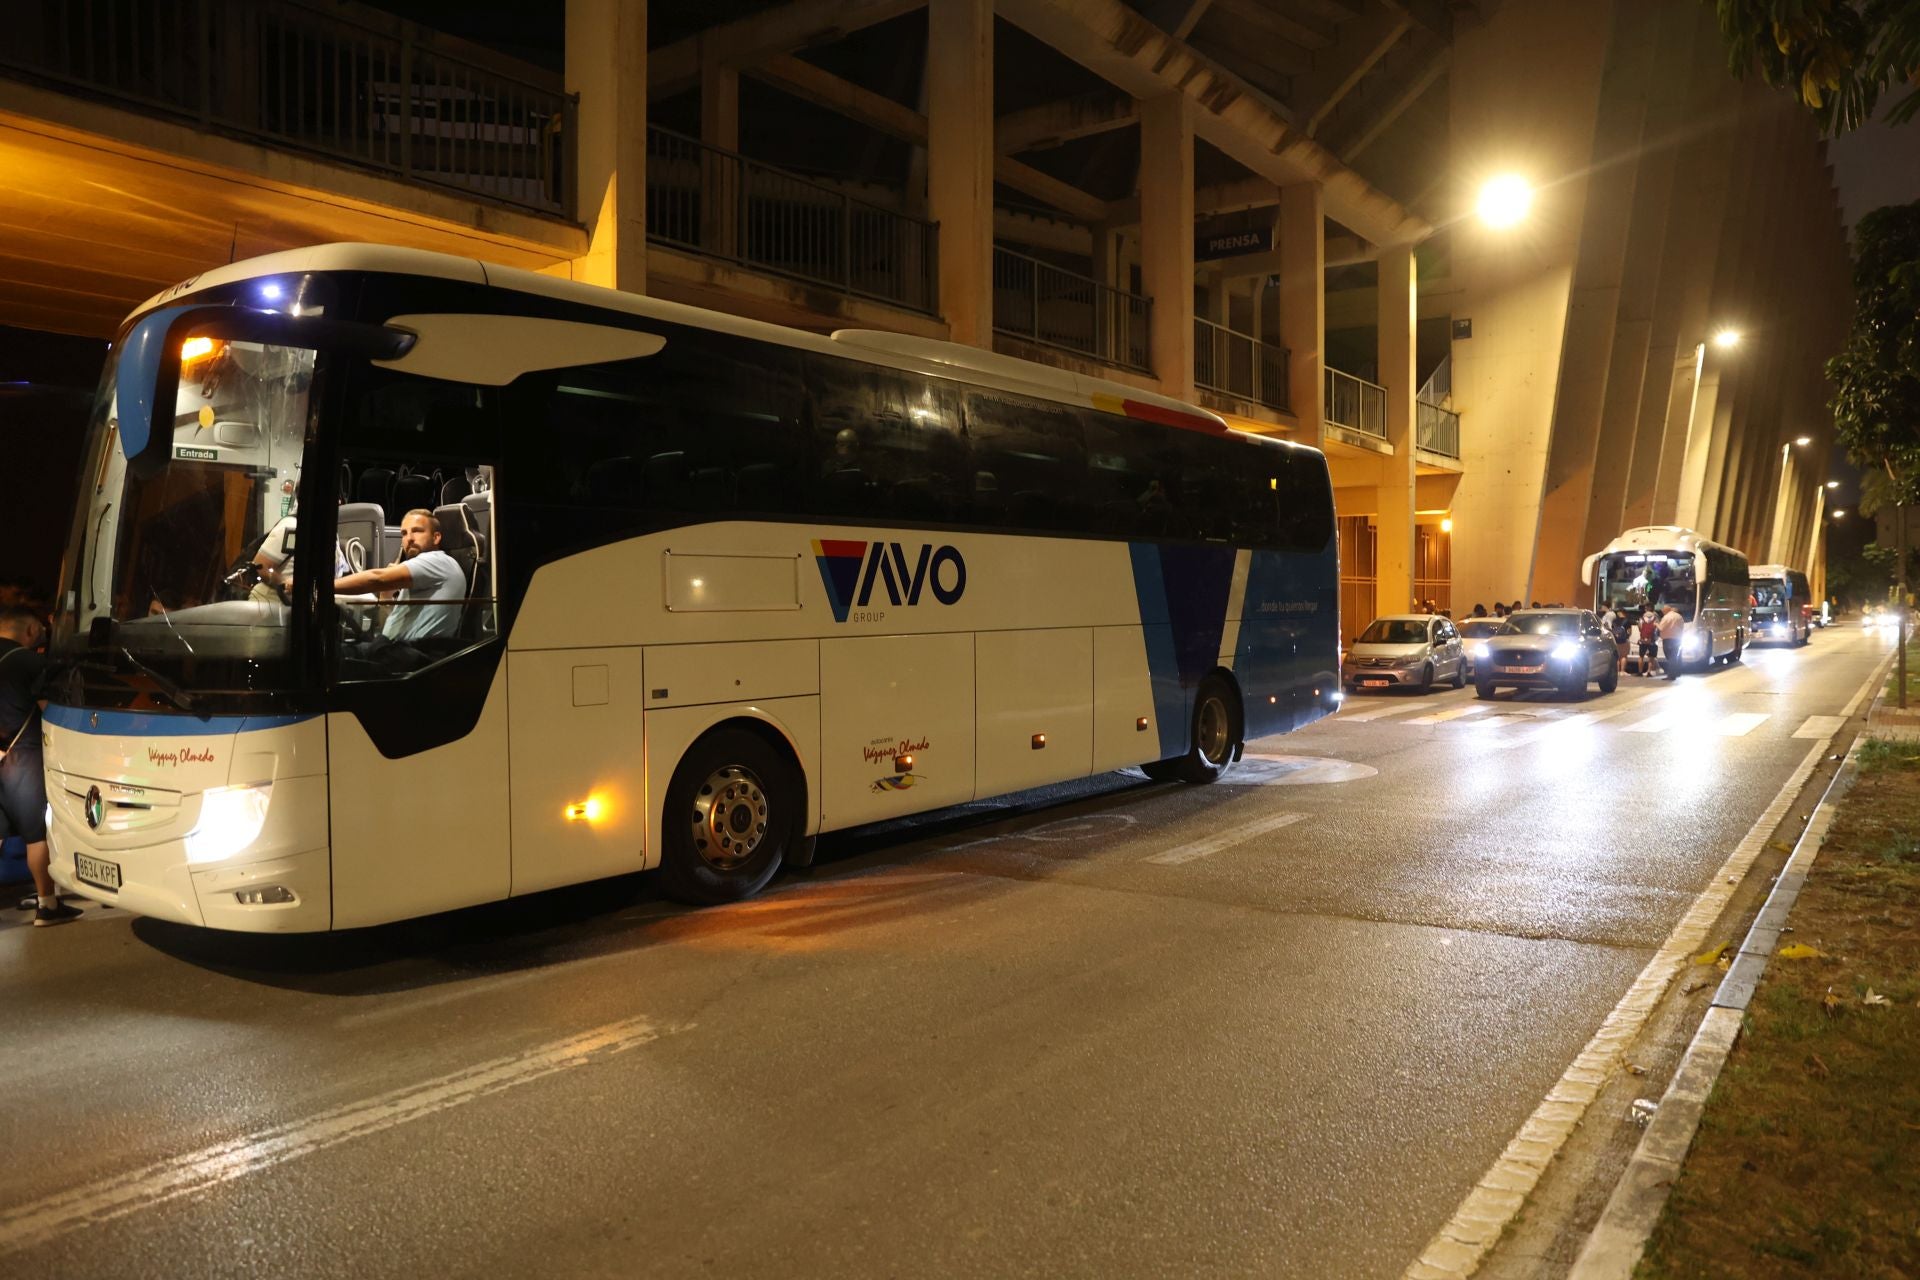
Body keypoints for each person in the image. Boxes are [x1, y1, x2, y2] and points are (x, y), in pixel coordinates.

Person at [0, 605, 78, 925]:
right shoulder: (28, 661)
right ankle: (48, 904)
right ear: (30, 630)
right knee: (36, 835)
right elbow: (51, 709)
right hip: (24, 757)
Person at [331, 508, 466, 643]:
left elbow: (376, 578)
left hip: (412, 655)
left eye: (417, 531)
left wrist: (324, 586)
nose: (409, 538)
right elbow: (388, 631)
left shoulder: (437, 561)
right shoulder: (423, 573)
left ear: (436, 537)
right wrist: (386, 595)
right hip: (393, 650)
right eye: (404, 533)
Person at [1656, 604, 1686, 679]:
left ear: (1666, 610)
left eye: (1663, 610)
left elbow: (1661, 628)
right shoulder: (1679, 617)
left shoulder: (1666, 617)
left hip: (1668, 640)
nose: (1662, 611)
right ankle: (1676, 672)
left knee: (1670, 658)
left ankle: (1671, 675)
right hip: (1677, 639)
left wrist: (1656, 624)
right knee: (1675, 656)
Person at [1636, 609, 1658, 675]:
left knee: (1641, 656)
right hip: (1652, 640)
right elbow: (1657, 629)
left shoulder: (1642, 619)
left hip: (1643, 640)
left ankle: (1640, 672)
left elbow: (1640, 628)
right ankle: (1649, 672)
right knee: (1651, 657)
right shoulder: (1655, 619)